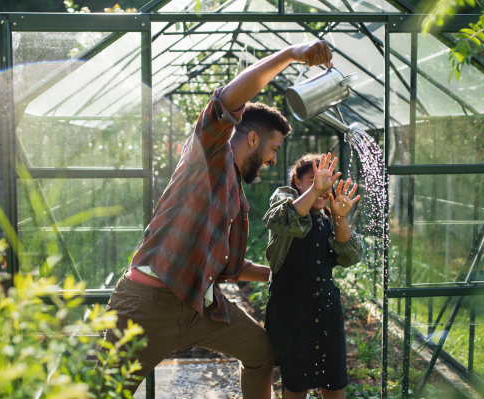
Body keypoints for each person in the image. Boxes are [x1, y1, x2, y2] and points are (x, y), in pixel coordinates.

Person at [102, 42, 333, 397]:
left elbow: (229, 267)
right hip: (149, 305)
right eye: (273, 149)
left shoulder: (235, 194)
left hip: (200, 306)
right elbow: (226, 101)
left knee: (262, 353)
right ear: (252, 138)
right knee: (105, 391)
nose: (273, 161)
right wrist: (290, 54)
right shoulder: (209, 154)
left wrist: (290, 273)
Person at [263, 153, 363, 399]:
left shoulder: (329, 214)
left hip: (326, 312)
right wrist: (316, 192)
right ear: (298, 182)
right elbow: (282, 220)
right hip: (291, 314)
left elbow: (349, 256)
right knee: (296, 385)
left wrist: (340, 216)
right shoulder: (285, 199)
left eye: (326, 184)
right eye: (313, 181)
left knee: (334, 383)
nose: (321, 189)